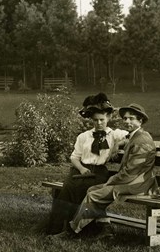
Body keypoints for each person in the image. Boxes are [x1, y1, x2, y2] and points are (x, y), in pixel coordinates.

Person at [52, 103, 156, 241]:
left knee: (94, 195)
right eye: (125, 119)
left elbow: (131, 172)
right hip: (132, 181)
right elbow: (126, 142)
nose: (127, 122)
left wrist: (110, 181)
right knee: (91, 189)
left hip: (139, 185)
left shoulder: (142, 140)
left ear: (140, 120)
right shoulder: (135, 136)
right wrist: (117, 145)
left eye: (131, 118)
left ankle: (72, 231)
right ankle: (105, 227)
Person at [44, 93, 128, 235]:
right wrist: (82, 168)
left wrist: (117, 145)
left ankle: (85, 228)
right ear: (91, 120)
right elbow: (74, 158)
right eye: (95, 120)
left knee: (89, 190)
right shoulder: (83, 137)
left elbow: (131, 137)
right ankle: (58, 228)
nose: (99, 123)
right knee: (67, 190)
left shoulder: (114, 134)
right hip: (80, 171)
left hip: (99, 173)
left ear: (108, 117)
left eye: (102, 120)